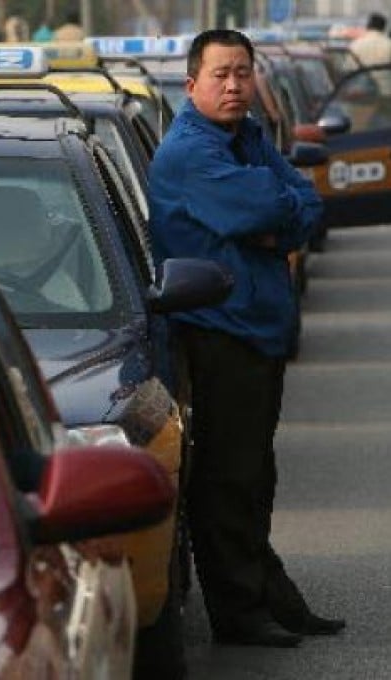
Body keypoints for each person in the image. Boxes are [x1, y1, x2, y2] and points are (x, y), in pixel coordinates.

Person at [148, 29, 345, 648]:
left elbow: (308, 206)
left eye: (242, 73)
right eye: (220, 75)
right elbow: (264, 211)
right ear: (192, 85)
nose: (234, 85)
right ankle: (239, 614)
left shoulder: (249, 137)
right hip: (220, 336)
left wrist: (278, 219)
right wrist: (274, 219)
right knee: (229, 481)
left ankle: (272, 598)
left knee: (255, 476)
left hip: (259, 332)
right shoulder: (190, 153)